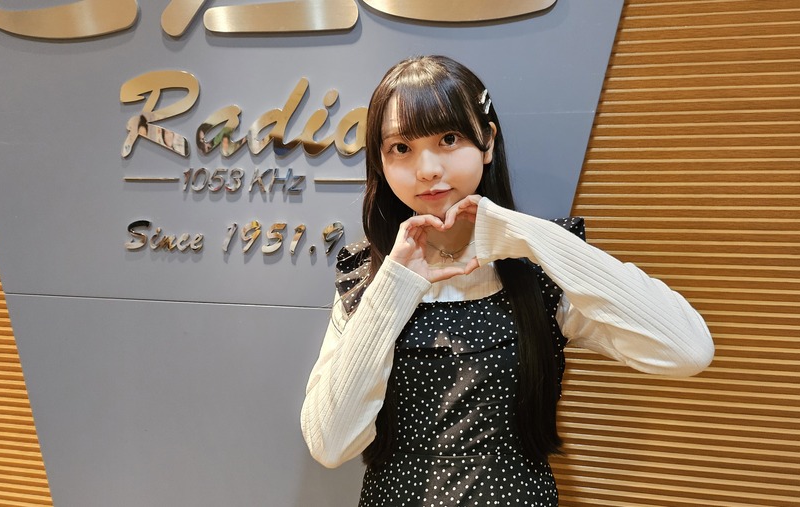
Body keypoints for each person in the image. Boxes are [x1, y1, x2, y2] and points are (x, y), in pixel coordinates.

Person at [301, 55, 714, 506]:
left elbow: (687, 350)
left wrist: (528, 236)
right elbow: (330, 443)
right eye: (401, 148)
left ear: (487, 142)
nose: (427, 169)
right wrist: (394, 286)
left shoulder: (539, 267)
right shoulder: (366, 275)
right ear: (381, 162)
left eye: (448, 139)